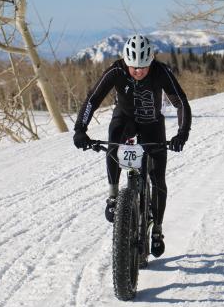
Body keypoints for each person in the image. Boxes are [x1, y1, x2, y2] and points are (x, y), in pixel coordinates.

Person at [73, 33, 192, 257]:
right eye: (133, 67)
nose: (138, 71)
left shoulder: (161, 71)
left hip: (152, 124)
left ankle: (156, 229)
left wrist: (182, 134)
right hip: (125, 120)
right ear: (126, 62)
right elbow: (92, 99)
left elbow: (180, 102)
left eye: (143, 67)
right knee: (113, 140)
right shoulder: (116, 71)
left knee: (158, 178)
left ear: (151, 62)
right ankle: (113, 194)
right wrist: (80, 129)